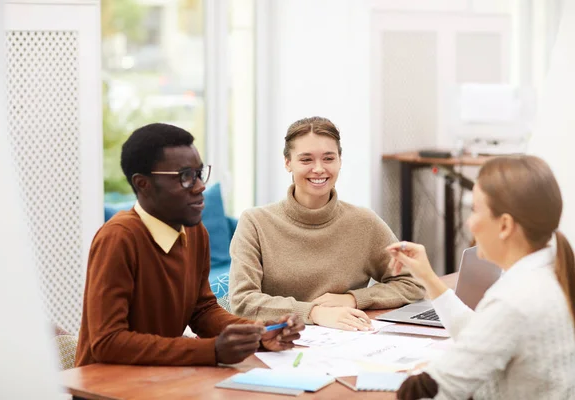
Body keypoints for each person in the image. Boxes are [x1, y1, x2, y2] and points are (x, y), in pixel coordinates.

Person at [75, 123, 304, 367]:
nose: (200, 186)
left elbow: (202, 310)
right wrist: (210, 350)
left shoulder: (195, 232)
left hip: (160, 379)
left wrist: (257, 332)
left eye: (199, 173)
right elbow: (107, 342)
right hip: (105, 386)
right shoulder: (118, 238)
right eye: (185, 177)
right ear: (143, 184)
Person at [390, 155, 575, 400]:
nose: (469, 223)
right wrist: (427, 277)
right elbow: (482, 333)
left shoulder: (514, 301)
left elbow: (435, 391)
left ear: (505, 225)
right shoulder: (549, 272)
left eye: (475, 210)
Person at [229, 116, 424, 331]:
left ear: (340, 160)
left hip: (346, 339)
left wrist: (354, 299)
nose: (319, 169)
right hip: (279, 343)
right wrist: (313, 312)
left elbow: (412, 283)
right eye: (306, 160)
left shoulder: (364, 222)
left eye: (328, 158)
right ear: (288, 163)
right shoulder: (255, 222)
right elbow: (242, 301)